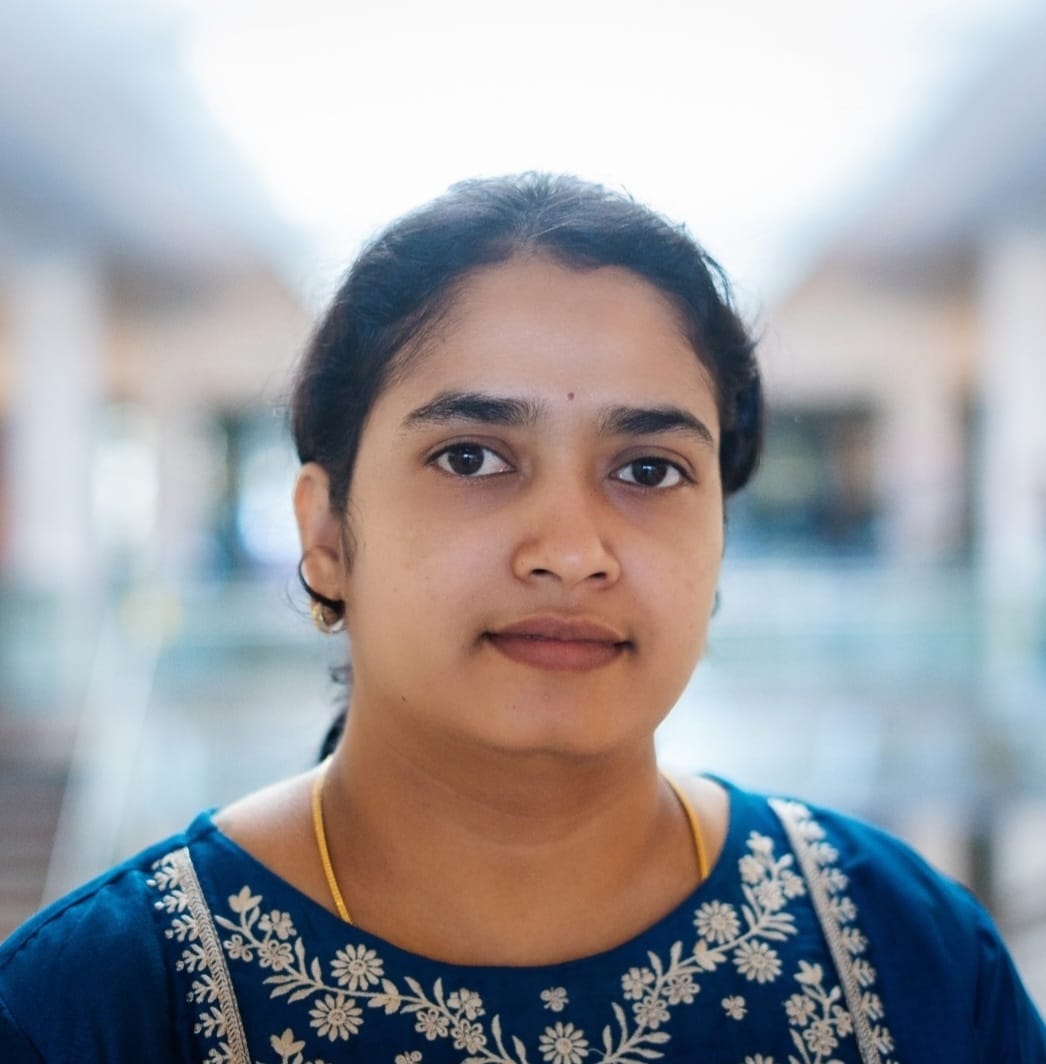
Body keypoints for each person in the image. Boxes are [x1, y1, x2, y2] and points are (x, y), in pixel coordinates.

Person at [0, 173, 1043, 1063]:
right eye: (471, 457)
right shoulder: (96, 1005)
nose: (572, 550)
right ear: (325, 532)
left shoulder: (902, 955)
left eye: (648, 469)